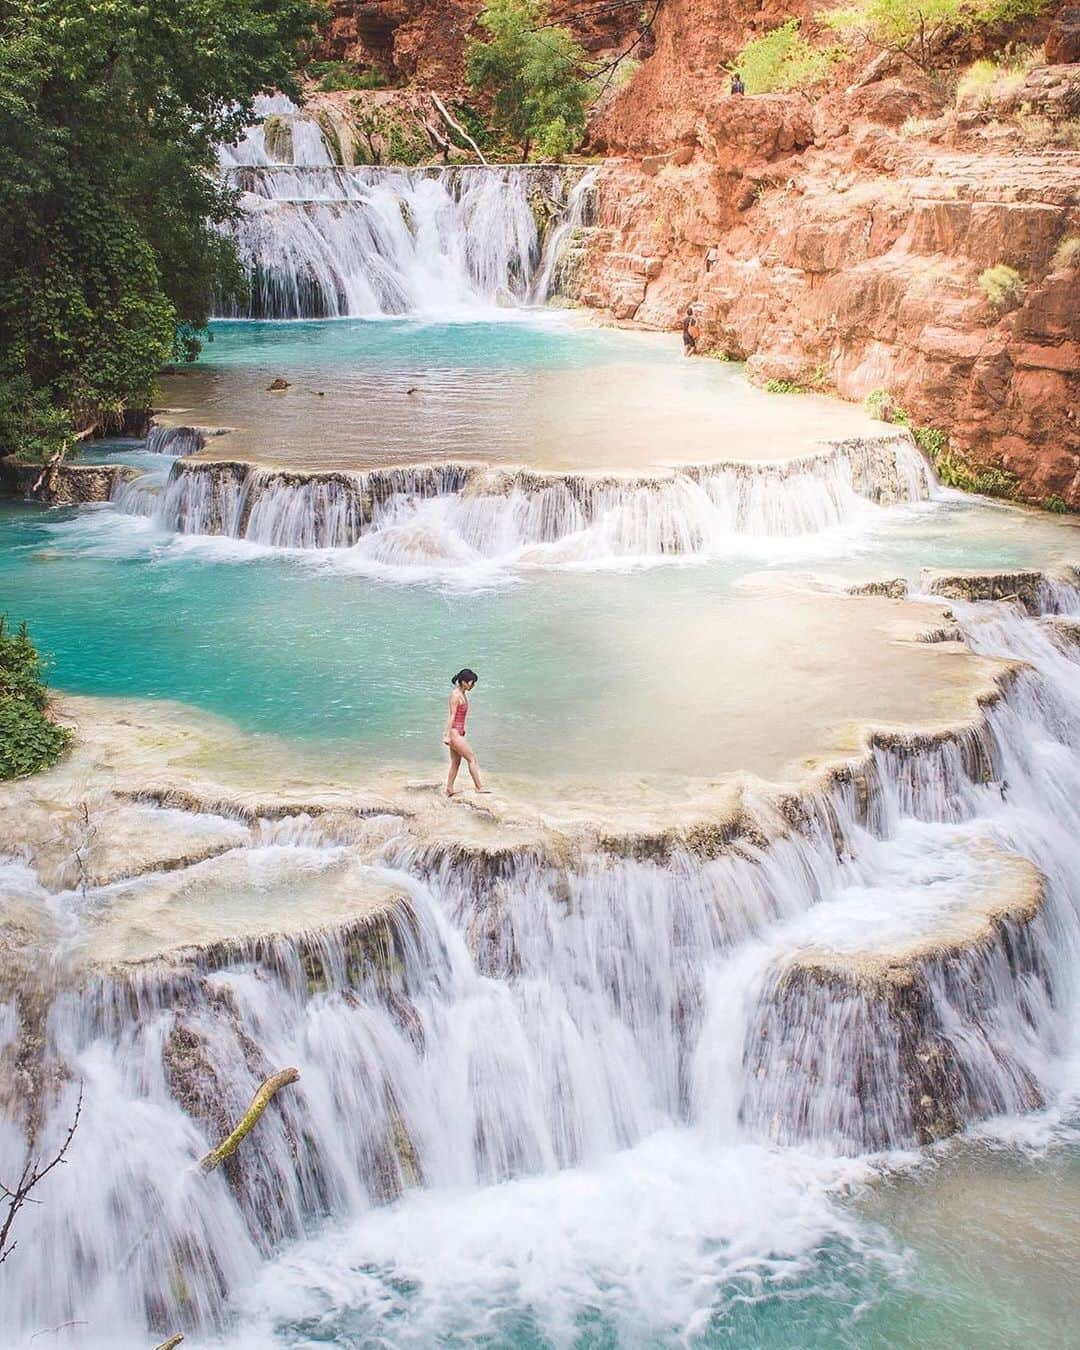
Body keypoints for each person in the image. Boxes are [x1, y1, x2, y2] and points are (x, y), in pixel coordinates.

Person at [445, 668, 489, 796]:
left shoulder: (462, 694)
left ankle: (449, 789)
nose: (473, 685)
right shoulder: (455, 695)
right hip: (454, 733)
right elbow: (452, 716)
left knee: (456, 762)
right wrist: (447, 736)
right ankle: (479, 787)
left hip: (459, 732)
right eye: (471, 682)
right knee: (471, 758)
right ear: (464, 682)